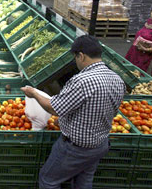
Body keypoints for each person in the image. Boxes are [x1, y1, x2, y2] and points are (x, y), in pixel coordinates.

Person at [21, 35, 125, 189]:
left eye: (75, 57)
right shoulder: (117, 79)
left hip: (76, 148)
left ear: (81, 56)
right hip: (99, 145)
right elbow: (106, 110)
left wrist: (34, 93)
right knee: (83, 182)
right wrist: (65, 120)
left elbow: (54, 108)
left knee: (48, 180)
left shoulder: (82, 80)